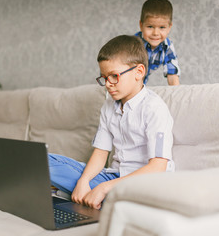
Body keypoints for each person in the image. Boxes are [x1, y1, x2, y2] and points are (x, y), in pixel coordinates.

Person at [48, 35, 174, 210]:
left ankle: (100, 197)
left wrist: (103, 188)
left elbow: (158, 167)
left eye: (114, 76)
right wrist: (84, 181)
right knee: (44, 162)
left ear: (139, 72)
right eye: (104, 77)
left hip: (145, 183)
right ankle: (93, 196)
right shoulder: (108, 106)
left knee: (108, 190)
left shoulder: (154, 108)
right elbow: (101, 153)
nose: (108, 84)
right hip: (113, 177)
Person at [135, 0, 180, 85]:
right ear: (141, 25)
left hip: (141, 84)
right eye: (150, 27)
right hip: (124, 82)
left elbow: (172, 75)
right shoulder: (133, 44)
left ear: (169, 28)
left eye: (162, 27)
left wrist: (176, 96)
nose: (156, 33)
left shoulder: (167, 47)